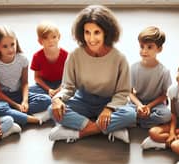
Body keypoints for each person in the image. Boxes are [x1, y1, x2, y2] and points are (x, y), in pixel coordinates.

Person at [48, 5, 136, 144]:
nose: (91, 38)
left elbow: (123, 92)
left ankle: (78, 133)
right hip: (83, 101)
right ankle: (111, 128)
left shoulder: (119, 58)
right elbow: (68, 87)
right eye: (87, 32)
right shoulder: (75, 55)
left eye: (97, 32)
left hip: (109, 102)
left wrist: (109, 109)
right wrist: (57, 99)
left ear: (106, 33)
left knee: (130, 115)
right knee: (52, 110)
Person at [0, 26, 52, 127]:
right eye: (5, 46)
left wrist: (25, 101)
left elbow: (25, 83)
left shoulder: (22, 59)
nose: (10, 49)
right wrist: (16, 105)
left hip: (19, 93)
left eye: (12, 44)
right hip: (4, 98)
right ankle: (32, 119)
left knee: (46, 100)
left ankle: (17, 114)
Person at [128, 26, 172, 129]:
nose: (144, 51)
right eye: (142, 46)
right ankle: (145, 122)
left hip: (155, 105)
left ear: (159, 49)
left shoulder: (164, 72)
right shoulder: (133, 68)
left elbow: (165, 95)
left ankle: (136, 121)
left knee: (166, 115)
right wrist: (139, 105)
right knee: (122, 110)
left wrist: (149, 107)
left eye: (149, 47)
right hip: (137, 102)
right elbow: (129, 92)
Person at [30, 21, 68, 98]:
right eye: (45, 38)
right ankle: (50, 98)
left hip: (61, 82)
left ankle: (54, 98)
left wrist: (59, 89)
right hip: (45, 84)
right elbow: (37, 77)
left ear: (59, 37)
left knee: (76, 89)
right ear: (40, 41)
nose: (50, 41)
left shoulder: (66, 55)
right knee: (27, 91)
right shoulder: (37, 56)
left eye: (54, 37)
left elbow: (69, 77)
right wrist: (49, 89)